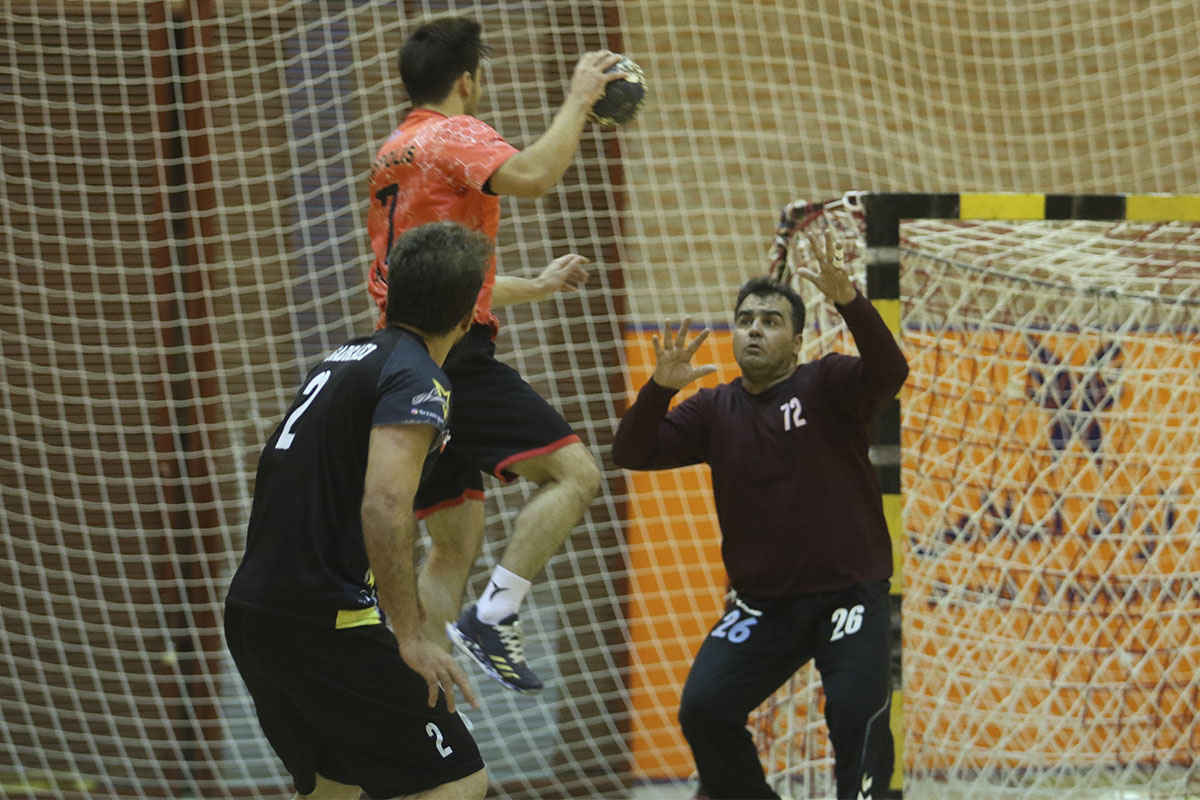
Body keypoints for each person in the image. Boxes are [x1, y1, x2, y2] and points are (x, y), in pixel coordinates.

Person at [364, 16, 624, 693]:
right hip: (453, 361)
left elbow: (434, 280)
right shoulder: (454, 133)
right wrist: (580, 99)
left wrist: (534, 286)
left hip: (400, 358)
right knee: (576, 476)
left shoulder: (393, 152)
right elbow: (534, 175)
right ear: (466, 80)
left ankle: (419, 699)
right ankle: (495, 614)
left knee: (452, 547)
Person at [612, 232, 909, 800]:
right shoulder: (713, 407)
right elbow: (631, 452)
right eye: (745, 320)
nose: (754, 329)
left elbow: (890, 370)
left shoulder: (827, 383)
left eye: (770, 321)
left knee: (855, 712)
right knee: (704, 708)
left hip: (848, 595)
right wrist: (657, 390)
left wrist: (849, 300)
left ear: (796, 342)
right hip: (763, 606)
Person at [225, 222, 492, 800]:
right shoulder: (417, 378)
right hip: (325, 622)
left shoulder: (339, 362)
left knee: (334, 790)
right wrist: (410, 634)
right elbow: (385, 504)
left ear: (388, 292)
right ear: (469, 319)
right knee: (458, 782)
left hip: (255, 614)